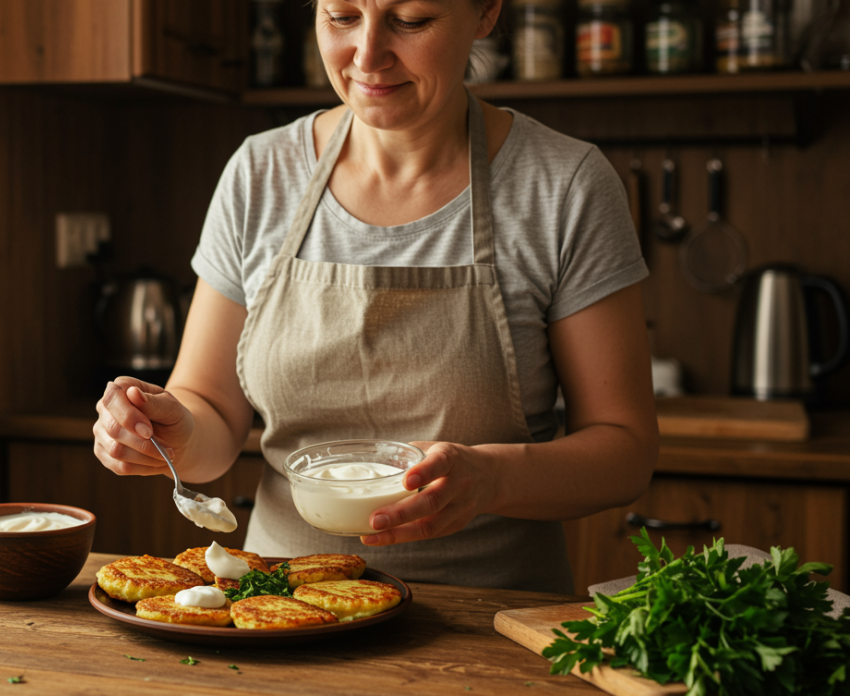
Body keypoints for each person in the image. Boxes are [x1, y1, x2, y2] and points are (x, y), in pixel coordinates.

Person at [92, 0, 659, 593]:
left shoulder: (565, 185)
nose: (366, 56)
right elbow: (211, 408)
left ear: (487, 13)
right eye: (341, 16)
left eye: (411, 20)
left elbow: (625, 450)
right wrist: (172, 434)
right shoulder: (259, 174)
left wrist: (491, 478)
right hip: (279, 608)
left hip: (491, 622)